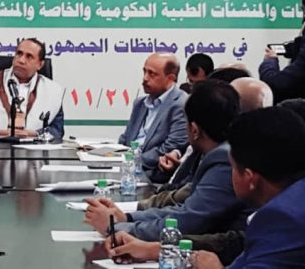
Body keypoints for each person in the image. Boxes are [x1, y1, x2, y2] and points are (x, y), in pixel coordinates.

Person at [106, 107, 305, 268]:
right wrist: (156, 250)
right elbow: (242, 247)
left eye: (232, 167)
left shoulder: (287, 219)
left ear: (250, 177)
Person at [87, 80, 250, 241]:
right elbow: (183, 209)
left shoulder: (224, 160)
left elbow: (187, 221)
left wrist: (114, 228)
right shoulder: (221, 152)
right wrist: (127, 218)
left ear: (194, 130)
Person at [139, 78, 273, 211]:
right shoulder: (209, 151)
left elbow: (189, 216)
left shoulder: (225, 158)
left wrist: (132, 216)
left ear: (194, 130)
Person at [0, 38, 65, 139]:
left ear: (40, 64)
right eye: (19, 54)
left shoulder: (52, 90)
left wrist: (32, 134)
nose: (21, 60)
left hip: (34, 146)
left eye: (29, 56)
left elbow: (57, 130)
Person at [118, 53, 188, 182]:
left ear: (170, 78)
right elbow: (125, 139)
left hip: (152, 176)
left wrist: (129, 161)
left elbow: (169, 148)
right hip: (127, 170)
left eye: (152, 74)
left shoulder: (181, 104)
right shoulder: (140, 103)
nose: (145, 78)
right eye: (144, 71)